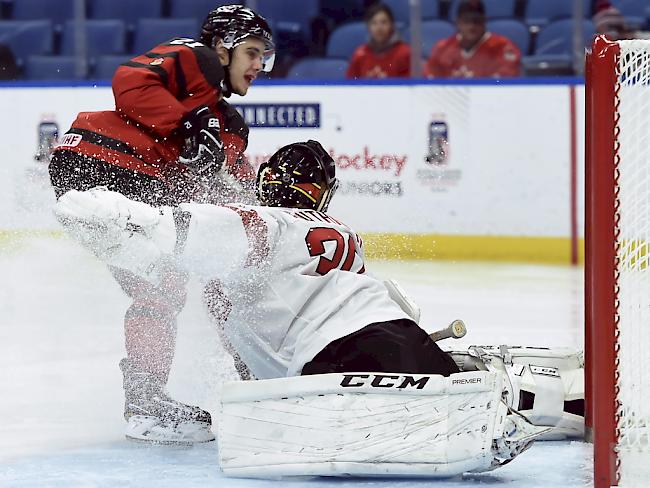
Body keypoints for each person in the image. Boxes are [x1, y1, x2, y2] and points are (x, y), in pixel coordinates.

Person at [48, 4, 275, 444]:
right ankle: (145, 404)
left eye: (264, 56)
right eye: (251, 52)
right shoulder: (197, 59)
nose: (258, 66)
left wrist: (271, 211)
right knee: (165, 279)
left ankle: (258, 378)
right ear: (222, 48)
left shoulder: (227, 123)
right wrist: (185, 123)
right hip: (100, 169)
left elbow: (227, 188)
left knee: (212, 273)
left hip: (138, 194)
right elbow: (129, 82)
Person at [54, 140, 460, 383]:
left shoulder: (268, 221)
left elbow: (195, 229)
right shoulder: (343, 230)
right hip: (400, 332)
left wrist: (124, 216)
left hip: (336, 353)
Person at [424, 0, 521, 78]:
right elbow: (431, 81)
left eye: (477, 21)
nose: (472, 26)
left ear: (485, 22)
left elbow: (505, 83)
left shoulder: (503, 47)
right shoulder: (442, 48)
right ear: (457, 23)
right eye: (466, 21)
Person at [346, 3, 411, 79]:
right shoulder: (360, 55)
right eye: (374, 23)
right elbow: (350, 86)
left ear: (391, 25)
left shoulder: (405, 53)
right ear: (368, 27)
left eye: (384, 22)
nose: (379, 28)